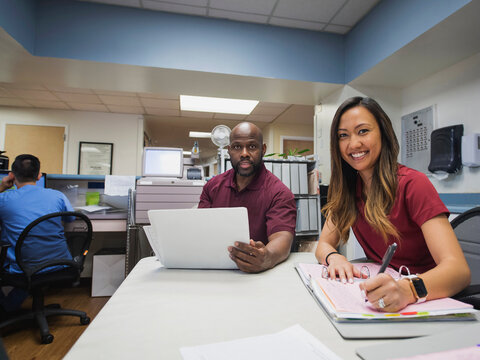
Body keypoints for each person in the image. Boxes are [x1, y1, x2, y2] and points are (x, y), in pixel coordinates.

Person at [315, 97, 470, 312]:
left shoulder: (413, 184)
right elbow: (323, 244)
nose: (353, 144)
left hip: (427, 298)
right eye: (343, 135)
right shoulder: (348, 189)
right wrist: (334, 257)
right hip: (384, 292)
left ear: (383, 134)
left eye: (363, 131)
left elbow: (458, 271)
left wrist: (407, 290)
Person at [199, 122, 297, 273]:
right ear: (229, 150)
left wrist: (267, 257)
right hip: (213, 269)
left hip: (256, 275)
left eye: (252, 147)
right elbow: (200, 229)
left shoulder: (279, 193)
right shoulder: (212, 187)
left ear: (263, 149)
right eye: (237, 147)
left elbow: (282, 238)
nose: (244, 153)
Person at [0, 154, 74, 315]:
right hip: (59, 263)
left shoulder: (4, 198)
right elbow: (71, 218)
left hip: (22, 268)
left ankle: (7, 307)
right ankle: (10, 305)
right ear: (39, 175)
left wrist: (2, 186)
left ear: (12, 175)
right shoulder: (57, 196)